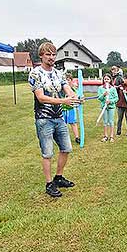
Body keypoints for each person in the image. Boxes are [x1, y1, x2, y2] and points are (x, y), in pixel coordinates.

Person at [28, 42, 79, 198]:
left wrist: (74, 97)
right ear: (41, 56)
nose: (51, 57)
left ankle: (58, 177)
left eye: (53, 54)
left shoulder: (59, 73)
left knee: (66, 148)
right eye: (48, 54)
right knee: (47, 153)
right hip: (44, 119)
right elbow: (41, 98)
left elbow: (67, 89)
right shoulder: (35, 73)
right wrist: (64, 101)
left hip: (59, 118)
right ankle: (49, 184)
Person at [98, 73, 118, 142]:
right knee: (105, 121)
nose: (106, 80)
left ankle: (111, 136)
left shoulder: (113, 89)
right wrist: (103, 95)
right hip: (104, 107)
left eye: (108, 79)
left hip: (111, 107)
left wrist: (111, 101)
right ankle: (105, 136)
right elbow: (99, 98)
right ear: (103, 80)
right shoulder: (100, 88)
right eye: (105, 79)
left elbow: (116, 98)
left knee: (111, 121)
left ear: (110, 80)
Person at [63, 73, 80, 144]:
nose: (67, 81)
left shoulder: (73, 89)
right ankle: (64, 138)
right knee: (63, 124)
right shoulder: (61, 88)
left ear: (71, 80)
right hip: (62, 109)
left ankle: (77, 137)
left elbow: (77, 97)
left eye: (68, 80)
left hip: (71, 108)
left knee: (73, 122)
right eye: (65, 80)